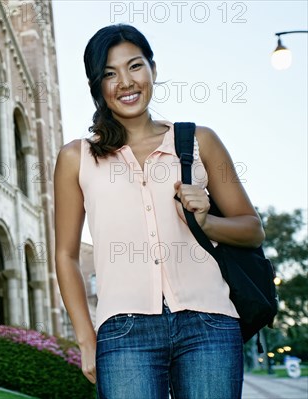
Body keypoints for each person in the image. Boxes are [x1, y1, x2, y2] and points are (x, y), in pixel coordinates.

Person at [53, 24, 265, 399]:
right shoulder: (76, 158)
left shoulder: (199, 141)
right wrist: (86, 340)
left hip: (209, 325)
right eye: (109, 73)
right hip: (124, 332)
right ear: (96, 85)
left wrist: (207, 222)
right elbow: (67, 255)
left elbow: (252, 229)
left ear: (153, 69)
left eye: (135, 66)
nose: (125, 82)